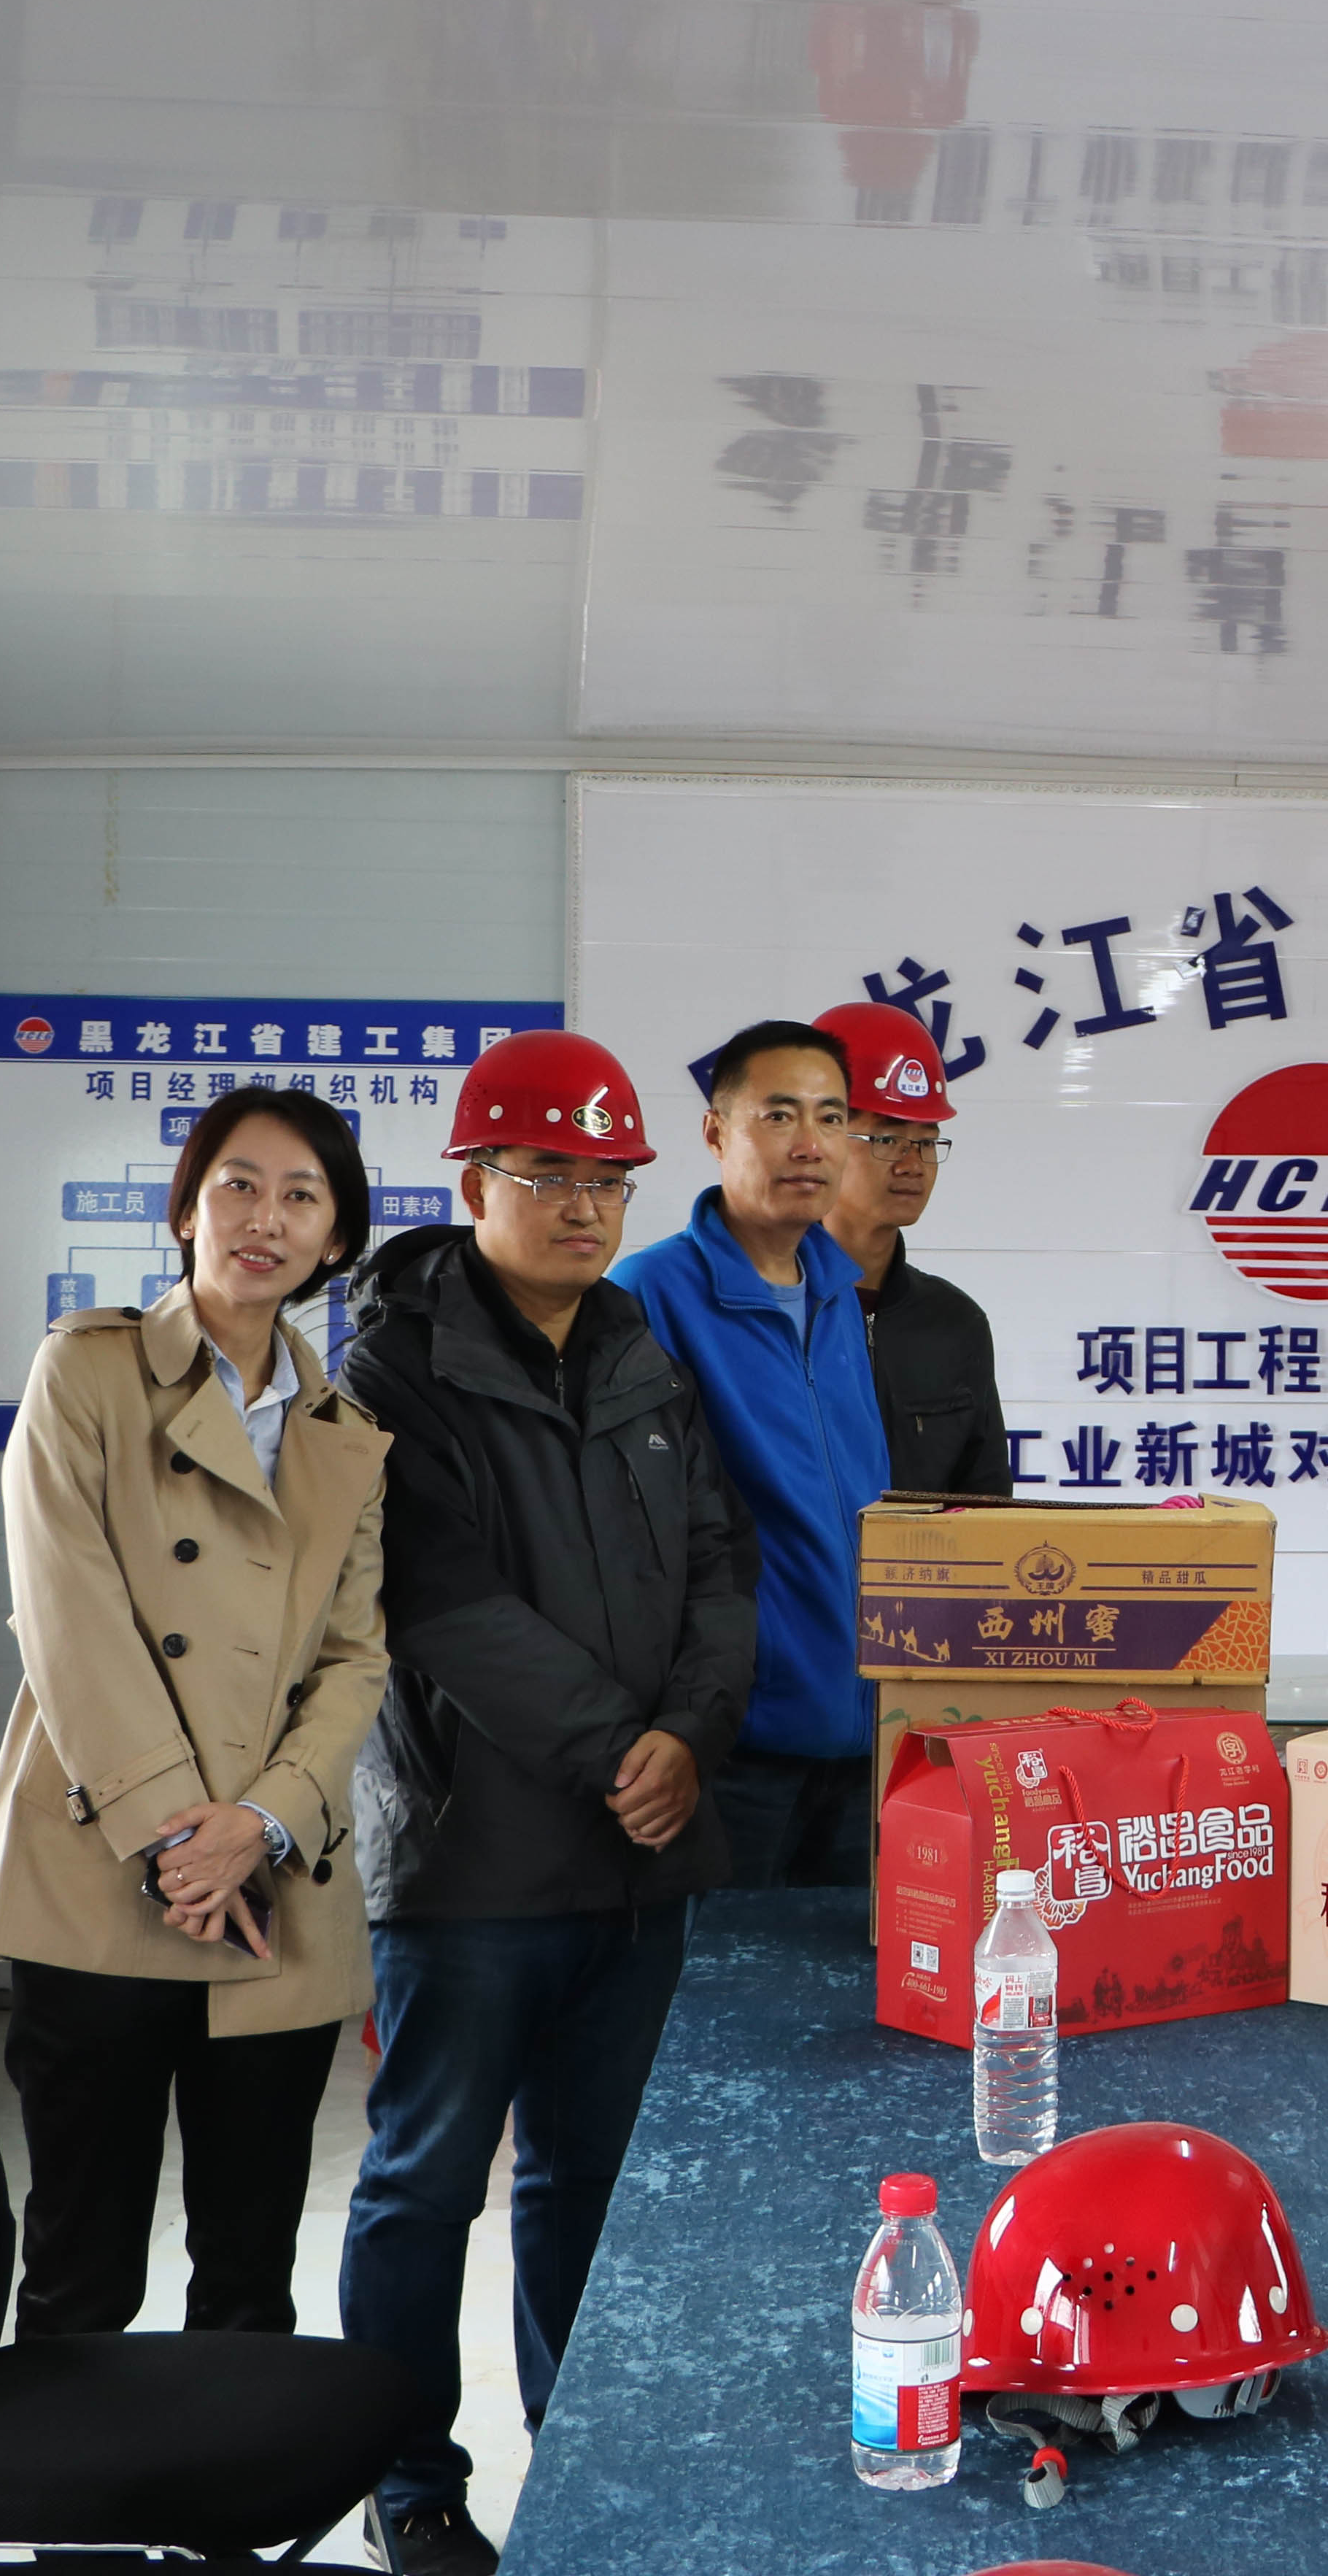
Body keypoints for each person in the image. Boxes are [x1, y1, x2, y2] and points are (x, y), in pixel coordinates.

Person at [333, 1032, 757, 2576]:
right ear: (474, 1184)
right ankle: (410, 2484)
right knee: (425, 2183)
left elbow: (719, 1564)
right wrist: (621, 1749)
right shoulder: (393, 1364)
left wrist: (689, 1734)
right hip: (474, 1858)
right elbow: (438, 1601)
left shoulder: (640, 1346)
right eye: (549, 1174)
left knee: (590, 2183)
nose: (584, 1205)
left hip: (639, 1859)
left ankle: (584, 2459)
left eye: (608, 1179)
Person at [0, 1086, 391, 2340]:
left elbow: (356, 1657)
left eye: (302, 1196)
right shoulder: (87, 1371)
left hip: (273, 1880)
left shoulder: (347, 1435)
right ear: (187, 1208)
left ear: (336, 1238)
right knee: (82, 2269)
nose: (266, 1219)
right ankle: (66, 2478)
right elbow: (67, 1617)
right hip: (102, 1870)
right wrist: (180, 1841)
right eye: (238, 1185)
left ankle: (227, 2481)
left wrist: (261, 1821)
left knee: (249, 2275)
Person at [614, 1020, 893, 1890]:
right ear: (715, 1132)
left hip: (865, 1737)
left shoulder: (837, 1291)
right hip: (732, 1747)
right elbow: (631, 1541)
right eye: (778, 1115)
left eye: (831, 1117)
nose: (810, 1144)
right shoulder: (649, 1292)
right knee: (720, 1971)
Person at [814, 997, 1009, 1497]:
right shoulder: (766, 1309)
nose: (912, 1164)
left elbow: (987, 1507)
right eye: (887, 1139)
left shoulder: (955, 1322)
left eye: (927, 1142)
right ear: (822, 1137)